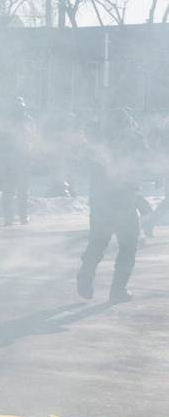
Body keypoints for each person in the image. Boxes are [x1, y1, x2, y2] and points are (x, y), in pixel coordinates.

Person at [77, 108, 149, 304]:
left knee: (98, 242)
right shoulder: (132, 139)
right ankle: (118, 290)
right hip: (124, 201)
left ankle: (85, 275)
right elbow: (146, 158)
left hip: (100, 200)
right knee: (128, 246)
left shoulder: (97, 141)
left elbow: (83, 165)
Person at [0, 96, 34, 225]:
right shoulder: (7, 122)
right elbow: (0, 140)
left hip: (22, 159)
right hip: (9, 160)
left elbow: (32, 138)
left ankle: (23, 216)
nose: (19, 111)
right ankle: (9, 218)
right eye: (16, 108)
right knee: (9, 191)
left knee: (22, 191)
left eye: (21, 108)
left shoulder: (28, 121)